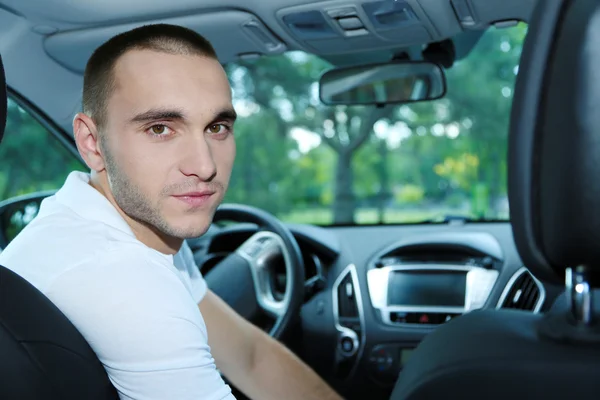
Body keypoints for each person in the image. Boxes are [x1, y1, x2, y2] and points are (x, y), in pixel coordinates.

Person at [0, 24, 341, 400]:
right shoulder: (122, 277)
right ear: (92, 143)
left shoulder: (115, 218)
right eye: (160, 128)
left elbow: (250, 357)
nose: (204, 165)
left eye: (217, 126)